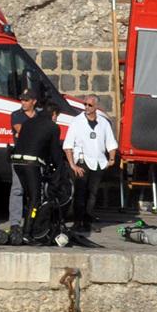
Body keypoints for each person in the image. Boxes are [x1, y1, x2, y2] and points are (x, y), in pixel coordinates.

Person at [11, 97, 67, 244]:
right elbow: (55, 152)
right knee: (35, 198)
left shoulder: (28, 122)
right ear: (53, 114)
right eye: (57, 116)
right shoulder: (53, 127)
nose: (56, 119)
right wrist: (58, 170)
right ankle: (27, 233)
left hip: (16, 162)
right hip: (31, 164)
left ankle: (22, 227)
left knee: (28, 196)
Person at [62, 94, 119, 233]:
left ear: (96, 107)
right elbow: (67, 145)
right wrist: (72, 164)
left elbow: (111, 143)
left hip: (99, 162)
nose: (86, 107)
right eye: (85, 105)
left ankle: (88, 221)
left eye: (90, 105)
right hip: (82, 161)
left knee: (92, 193)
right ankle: (77, 222)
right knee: (80, 193)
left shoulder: (103, 123)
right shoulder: (77, 122)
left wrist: (111, 159)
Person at [7, 90, 39, 233]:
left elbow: (26, 133)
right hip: (19, 159)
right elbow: (21, 130)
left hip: (36, 159)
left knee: (35, 192)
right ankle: (15, 223)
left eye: (26, 100)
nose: (23, 103)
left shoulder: (40, 115)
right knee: (17, 190)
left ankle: (34, 221)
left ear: (34, 101)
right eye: (22, 100)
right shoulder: (16, 115)